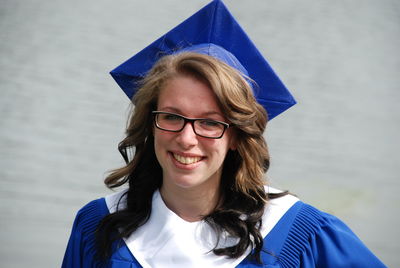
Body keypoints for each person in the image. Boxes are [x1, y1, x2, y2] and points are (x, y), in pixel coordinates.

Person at [62, 1, 386, 267]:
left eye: (210, 123)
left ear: (236, 137)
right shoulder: (98, 226)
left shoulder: (298, 233)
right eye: (172, 116)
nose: (187, 139)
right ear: (150, 122)